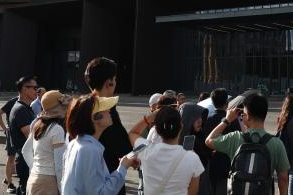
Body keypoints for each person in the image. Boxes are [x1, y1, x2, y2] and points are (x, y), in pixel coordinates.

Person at [204, 92, 290, 195]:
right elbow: (283, 178)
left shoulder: (235, 138)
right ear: (265, 114)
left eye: (243, 114)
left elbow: (208, 140)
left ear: (248, 116)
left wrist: (227, 120)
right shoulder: (277, 144)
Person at [61, 93, 131, 195]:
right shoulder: (90, 150)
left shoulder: (74, 144)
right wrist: (122, 168)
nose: (109, 110)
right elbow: (100, 193)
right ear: (95, 117)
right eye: (105, 108)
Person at [127, 106, 206, 195]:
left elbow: (133, 133)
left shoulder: (146, 150)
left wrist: (149, 117)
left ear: (157, 130)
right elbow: (193, 191)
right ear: (181, 126)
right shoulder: (192, 158)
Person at [85, 57, 131, 195]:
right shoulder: (106, 110)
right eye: (114, 79)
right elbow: (123, 147)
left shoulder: (81, 106)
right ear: (109, 83)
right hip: (108, 179)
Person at [22, 90, 69, 195]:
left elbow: (25, 150)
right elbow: (59, 165)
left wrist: (35, 168)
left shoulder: (37, 124)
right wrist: (63, 190)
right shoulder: (57, 129)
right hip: (48, 182)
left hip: (34, 178)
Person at [11, 76, 40, 195]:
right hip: (25, 158)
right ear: (24, 89)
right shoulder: (21, 109)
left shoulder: (25, 108)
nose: (37, 91)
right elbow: (32, 136)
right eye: (34, 88)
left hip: (25, 157)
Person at [205, 88, 236, 195]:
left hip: (212, 163)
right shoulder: (233, 120)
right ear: (227, 103)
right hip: (228, 163)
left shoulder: (208, 119)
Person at [0, 93, 20, 193]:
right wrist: (4, 128)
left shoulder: (30, 103)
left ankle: (8, 179)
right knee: (11, 157)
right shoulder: (13, 102)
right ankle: (9, 183)